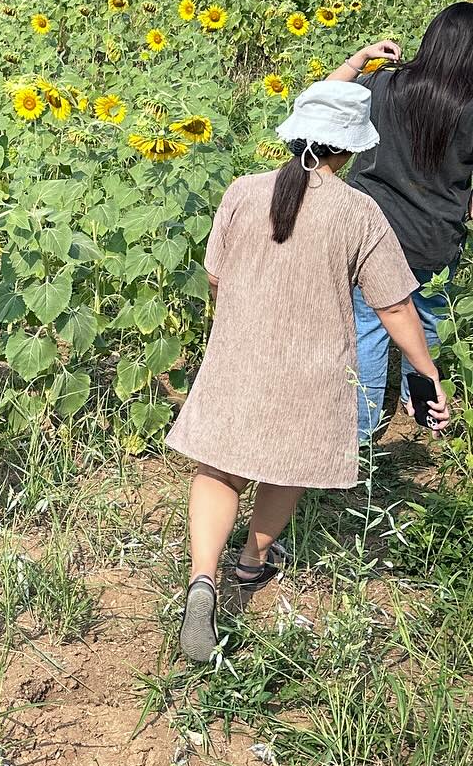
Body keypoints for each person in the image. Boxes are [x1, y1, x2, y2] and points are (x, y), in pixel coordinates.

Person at [168, 80, 450, 664]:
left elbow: (216, 275)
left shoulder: (244, 191)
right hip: (311, 366)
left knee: (219, 468)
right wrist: (426, 372)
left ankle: (202, 580)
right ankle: (253, 563)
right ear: (350, 148)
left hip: (237, 354)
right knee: (287, 463)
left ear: (295, 133)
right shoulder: (359, 212)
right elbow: (395, 306)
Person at [332, 4, 473, 440]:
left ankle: (361, 431)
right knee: (428, 321)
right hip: (434, 237)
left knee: (368, 328)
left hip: (370, 230)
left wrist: (358, 60)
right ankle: (426, 408)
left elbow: (323, 99)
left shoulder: (383, 84)